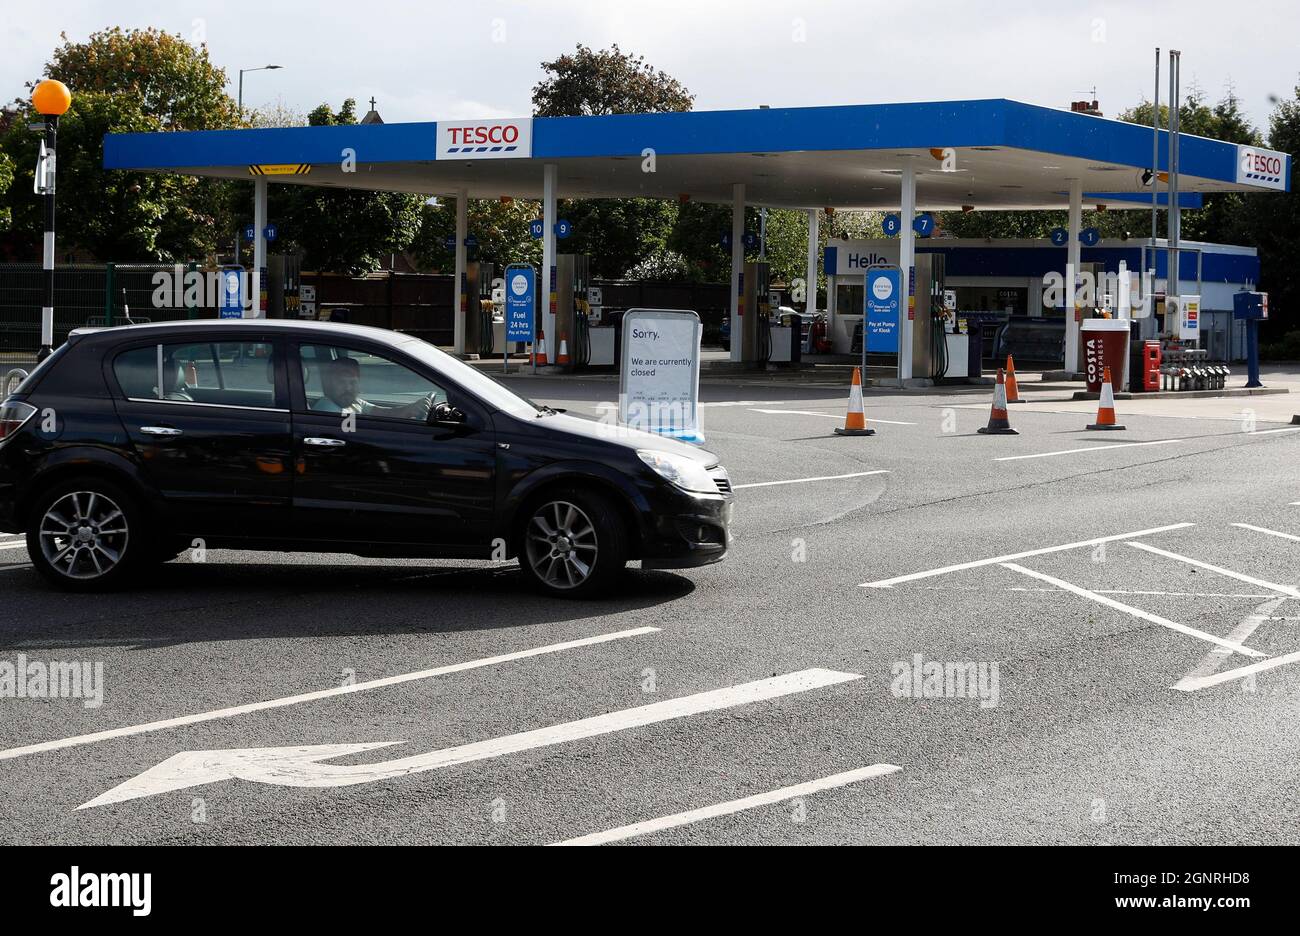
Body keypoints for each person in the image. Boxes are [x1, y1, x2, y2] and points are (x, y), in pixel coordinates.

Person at [311, 356, 433, 420]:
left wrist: (410, 409)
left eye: (352, 383)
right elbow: (352, 431)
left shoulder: (352, 403)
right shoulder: (327, 409)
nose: (348, 388)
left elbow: (380, 412)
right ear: (330, 384)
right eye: (341, 382)